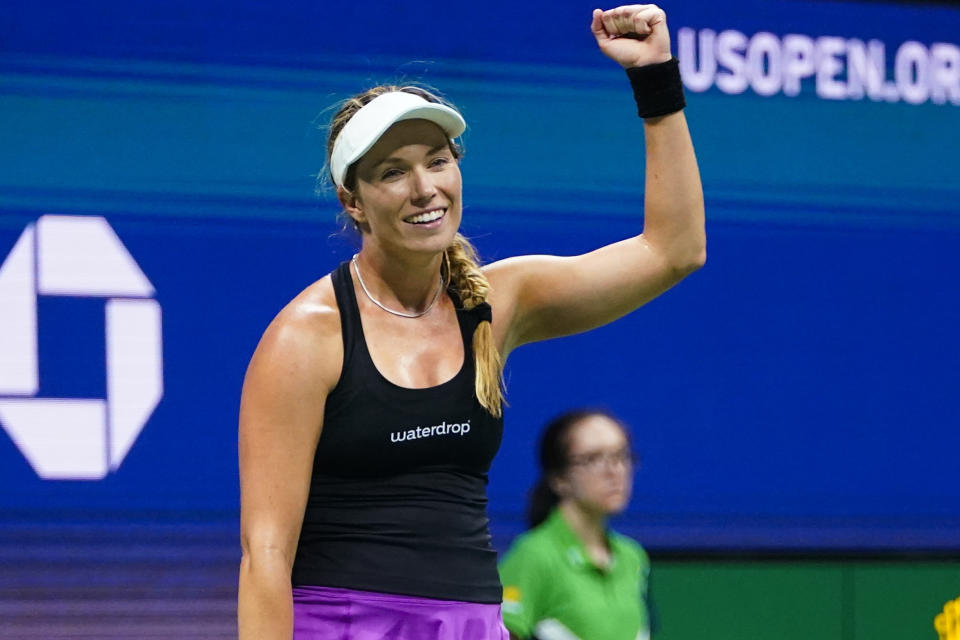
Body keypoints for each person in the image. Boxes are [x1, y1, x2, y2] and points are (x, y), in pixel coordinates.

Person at [238, 5, 705, 639]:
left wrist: (655, 79)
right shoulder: (306, 337)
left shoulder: (499, 301)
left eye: (437, 160)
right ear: (354, 201)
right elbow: (265, 558)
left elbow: (674, 250)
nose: (424, 187)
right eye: (393, 172)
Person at [499, 410, 654, 640]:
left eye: (621, 456)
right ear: (559, 478)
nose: (615, 471)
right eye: (593, 459)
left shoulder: (633, 557)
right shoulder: (533, 556)